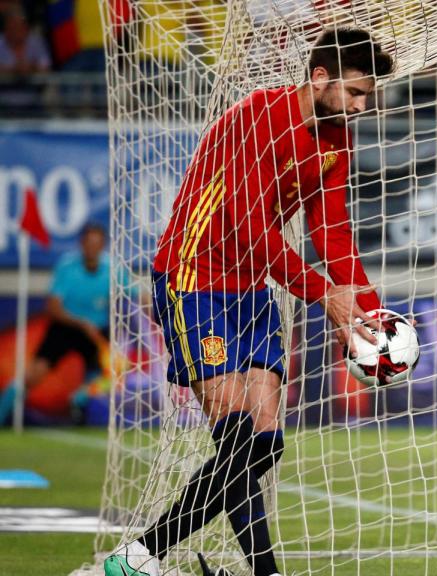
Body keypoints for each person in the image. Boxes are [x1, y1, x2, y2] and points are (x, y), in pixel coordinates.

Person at [103, 27, 394, 576]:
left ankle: (146, 555)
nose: (360, 107)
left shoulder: (337, 139)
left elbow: (331, 228)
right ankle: (149, 562)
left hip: (253, 288)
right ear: (320, 77)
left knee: (262, 445)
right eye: (355, 93)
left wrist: (368, 309)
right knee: (237, 436)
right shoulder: (258, 119)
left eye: (367, 98)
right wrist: (320, 295)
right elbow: (248, 228)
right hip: (195, 280)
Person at [0, 223, 109, 426]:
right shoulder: (67, 267)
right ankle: (2, 413)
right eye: (89, 243)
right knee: (33, 375)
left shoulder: (113, 268)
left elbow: (137, 295)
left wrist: (155, 312)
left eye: (97, 243)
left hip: (97, 332)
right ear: (82, 244)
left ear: (103, 246)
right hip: (66, 327)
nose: (93, 248)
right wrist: (81, 323)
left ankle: (79, 399)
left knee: (111, 374)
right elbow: (53, 307)